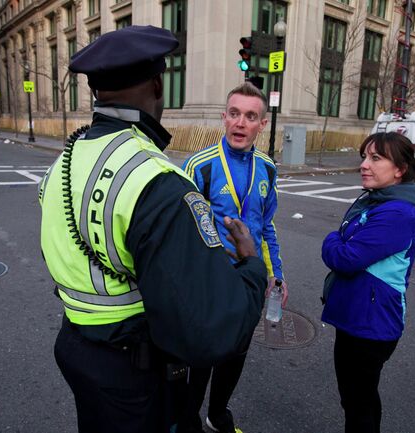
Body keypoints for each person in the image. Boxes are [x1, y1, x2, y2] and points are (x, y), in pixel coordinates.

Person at [38, 25, 268, 433]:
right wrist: (251, 263)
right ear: (159, 87)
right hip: (134, 372)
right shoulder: (157, 180)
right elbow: (211, 329)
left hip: (77, 348)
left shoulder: (62, 164)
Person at [179, 82, 288, 433]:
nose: (241, 123)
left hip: (250, 280)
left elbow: (266, 226)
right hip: (210, 283)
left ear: (262, 124)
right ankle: (188, 422)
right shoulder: (199, 165)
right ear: (224, 118)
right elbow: (181, 231)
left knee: (236, 353)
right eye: (235, 114)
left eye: (251, 116)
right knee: (200, 359)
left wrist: (276, 274)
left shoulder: (268, 168)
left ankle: (218, 416)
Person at [321, 132, 415, 433]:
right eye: (364, 157)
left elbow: (344, 257)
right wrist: (339, 239)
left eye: (376, 158)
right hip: (358, 318)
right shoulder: (377, 201)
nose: (364, 165)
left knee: (358, 404)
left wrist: (332, 238)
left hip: (370, 325)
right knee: (359, 399)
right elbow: (346, 243)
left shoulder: (398, 213)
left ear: (400, 169)